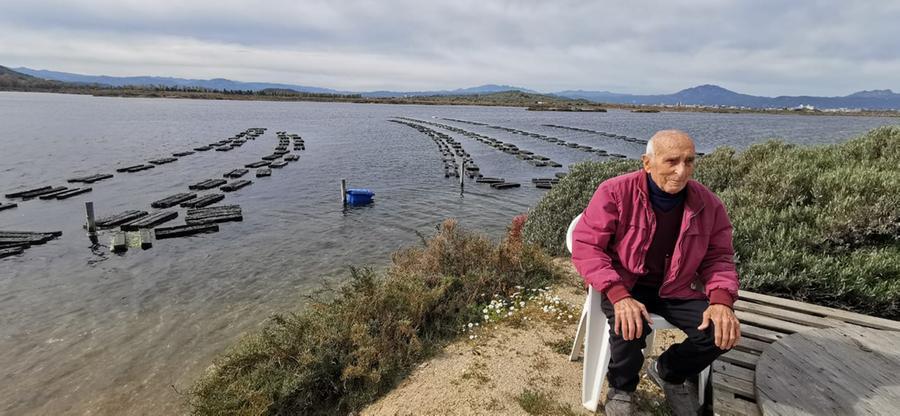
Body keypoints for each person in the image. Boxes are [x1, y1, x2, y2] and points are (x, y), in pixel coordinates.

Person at [571, 130, 741, 416]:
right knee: (629, 325)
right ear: (647, 163)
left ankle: (668, 371)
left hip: (676, 286)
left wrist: (722, 301)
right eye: (671, 161)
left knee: (720, 333)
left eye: (689, 161)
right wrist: (618, 294)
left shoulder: (708, 204)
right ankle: (622, 388)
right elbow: (587, 246)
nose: (681, 170)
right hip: (625, 282)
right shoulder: (614, 192)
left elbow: (719, 257)